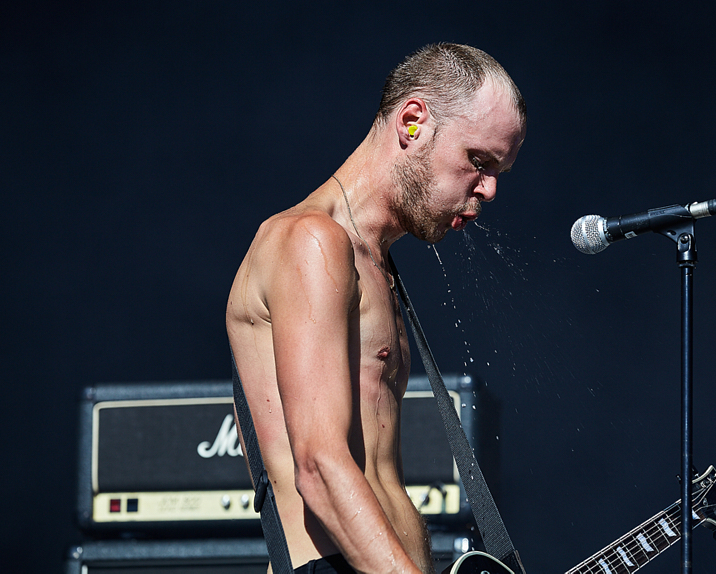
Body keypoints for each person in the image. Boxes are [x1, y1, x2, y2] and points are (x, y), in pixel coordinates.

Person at [226, 43, 527, 574]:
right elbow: (318, 466)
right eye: (478, 162)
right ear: (412, 122)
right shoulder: (311, 241)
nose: (490, 189)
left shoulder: (375, 265)